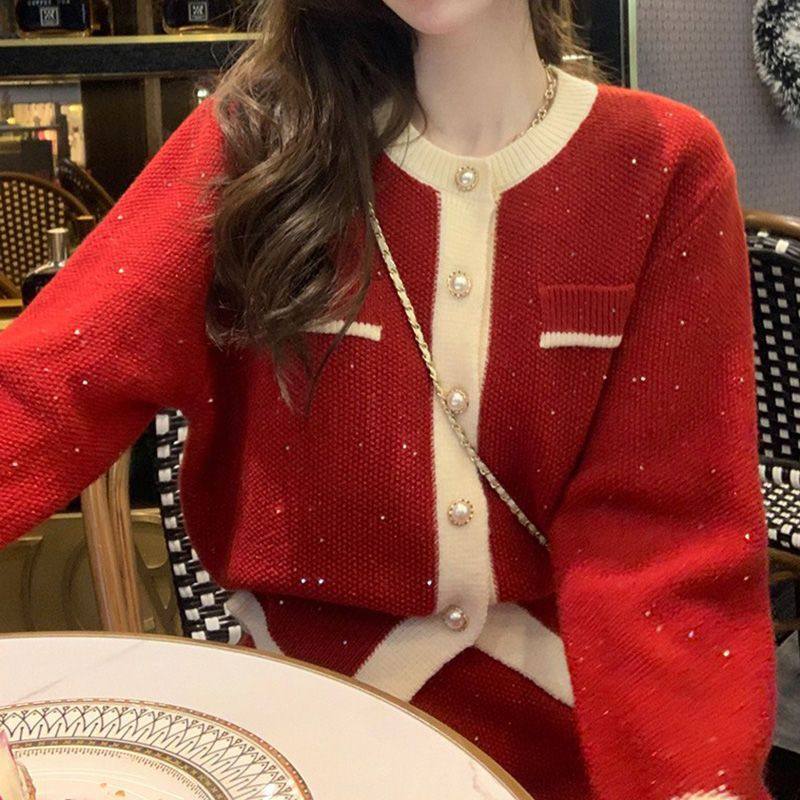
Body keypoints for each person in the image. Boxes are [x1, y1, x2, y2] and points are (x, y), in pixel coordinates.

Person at [0, 1, 777, 798]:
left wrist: (692, 784)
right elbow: (45, 382)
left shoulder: (659, 167)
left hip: (552, 753)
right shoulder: (261, 141)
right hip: (289, 741)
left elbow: (666, 541)